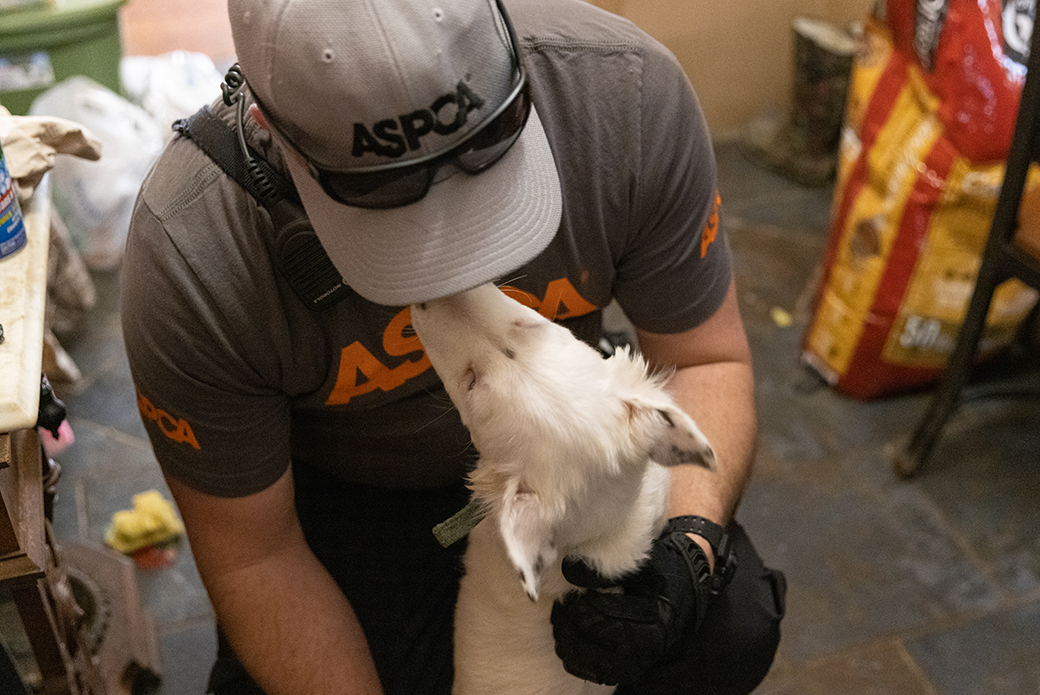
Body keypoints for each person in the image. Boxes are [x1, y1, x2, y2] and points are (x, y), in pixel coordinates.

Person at [120, 0, 786, 693]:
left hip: (558, 445)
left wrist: (690, 547)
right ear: (268, 132)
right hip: (352, 497)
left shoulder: (623, 98)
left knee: (727, 627)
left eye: (485, 160)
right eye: (390, 201)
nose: (460, 283)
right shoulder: (194, 256)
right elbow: (256, 557)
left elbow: (706, 358)